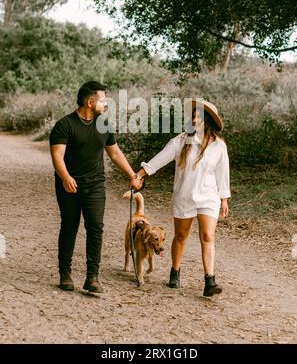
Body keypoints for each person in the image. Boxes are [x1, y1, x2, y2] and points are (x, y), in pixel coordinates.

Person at [49, 81, 143, 293]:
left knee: (95, 228)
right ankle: (65, 273)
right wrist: (65, 177)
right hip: (69, 186)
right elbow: (57, 156)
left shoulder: (104, 124)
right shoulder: (64, 125)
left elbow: (115, 153)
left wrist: (132, 175)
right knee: (69, 227)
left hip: (95, 186)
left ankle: (92, 277)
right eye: (102, 100)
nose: (106, 104)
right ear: (90, 102)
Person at [136, 100, 230, 297]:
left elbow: (223, 174)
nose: (195, 120)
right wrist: (140, 175)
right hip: (185, 196)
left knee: (207, 236)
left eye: (199, 117)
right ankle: (175, 272)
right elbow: (159, 159)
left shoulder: (218, 146)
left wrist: (224, 199)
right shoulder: (181, 141)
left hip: (208, 197)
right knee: (181, 236)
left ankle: (209, 281)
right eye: (193, 116)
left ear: (209, 121)